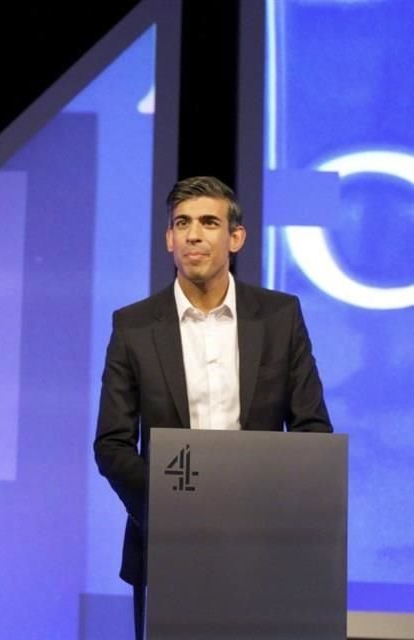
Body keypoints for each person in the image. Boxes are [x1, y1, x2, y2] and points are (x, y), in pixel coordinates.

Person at [93, 176, 332, 639]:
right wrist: (174, 515)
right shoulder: (134, 326)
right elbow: (112, 444)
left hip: (265, 549)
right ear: (168, 238)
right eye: (182, 223)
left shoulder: (281, 317)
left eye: (208, 222)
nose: (193, 234)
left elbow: (312, 430)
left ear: (235, 237)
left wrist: (260, 512)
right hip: (167, 550)